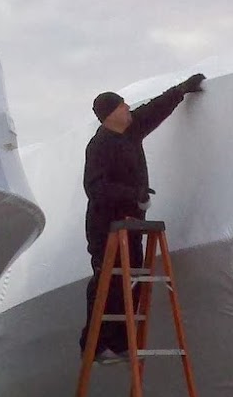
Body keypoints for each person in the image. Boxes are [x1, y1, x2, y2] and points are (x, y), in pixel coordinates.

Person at [81, 72, 207, 359]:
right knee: (108, 282)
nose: (127, 107)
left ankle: (121, 342)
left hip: (132, 224)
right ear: (110, 115)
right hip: (107, 227)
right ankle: (95, 344)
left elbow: (154, 110)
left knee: (134, 279)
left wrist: (181, 89)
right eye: (121, 105)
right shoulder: (99, 146)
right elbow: (95, 188)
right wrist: (132, 193)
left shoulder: (131, 130)